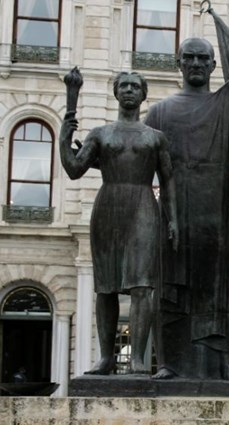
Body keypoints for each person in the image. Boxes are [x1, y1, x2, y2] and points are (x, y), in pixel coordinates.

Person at [143, 0, 229, 382]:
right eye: (189, 58)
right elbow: (145, 172)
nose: (196, 64)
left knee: (221, 292)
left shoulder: (226, 101)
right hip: (175, 217)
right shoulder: (158, 113)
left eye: (203, 58)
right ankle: (168, 363)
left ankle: (223, 363)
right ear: (178, 64)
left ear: (214, 66)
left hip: (218, 216)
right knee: (170, 292)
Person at [60, 69, 177, 375]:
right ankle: (105, 357)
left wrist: (172, 219)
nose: (128, 90)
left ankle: (137, 358)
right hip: (108, 207)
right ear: (115, 93)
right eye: (123, 86)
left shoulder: (155, 138)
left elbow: (169, 181)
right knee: (106, 287)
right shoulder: (101, 134)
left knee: (142, 286)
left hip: (143, 207)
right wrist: (64, 135)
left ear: (143, 94)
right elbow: (74, 168)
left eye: (134, 86)